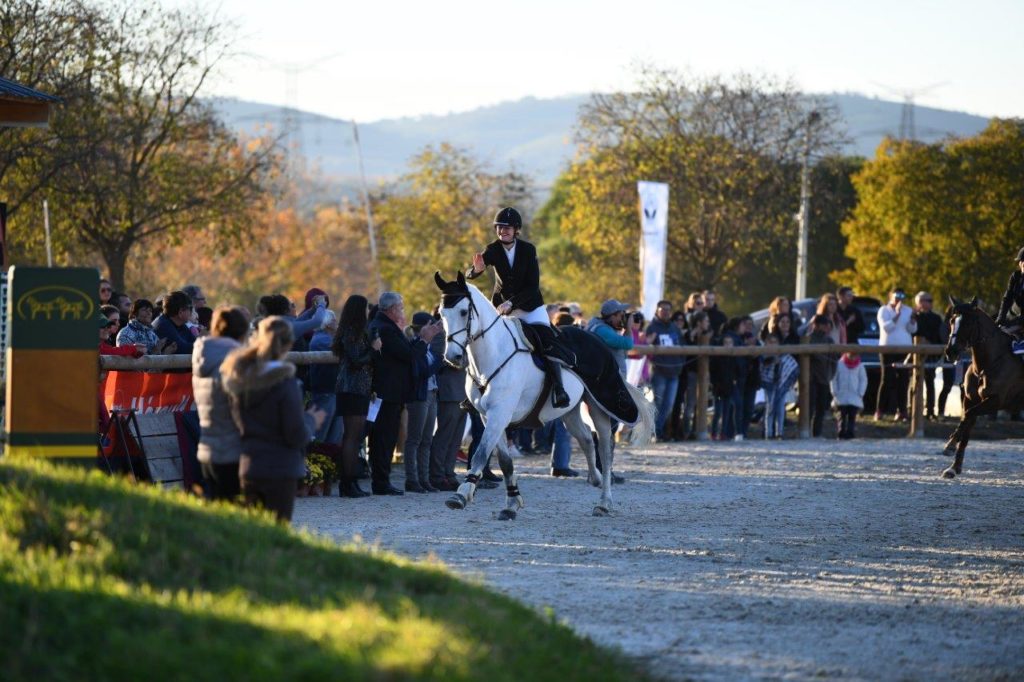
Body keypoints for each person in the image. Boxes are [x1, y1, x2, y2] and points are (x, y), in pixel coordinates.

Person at [221, 316, 325, 523]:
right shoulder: (285, 384)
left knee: (254, 533)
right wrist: (312, 420)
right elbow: (295, 434)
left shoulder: (240, 380)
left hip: (249, 464)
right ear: (287, 344)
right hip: (279, 467)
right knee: (277, 530)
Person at [466, 207, 569, 408]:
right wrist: (474, 272)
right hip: (502, 307)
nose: (503, 231)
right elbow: (475, 270)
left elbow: (533, 286)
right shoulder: (493, 249)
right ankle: (477, 387)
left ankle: (559, 388)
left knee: (545, 340)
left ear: (516, 230)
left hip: (530, 306)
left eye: (507, 228)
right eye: (500, 227)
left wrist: (512, 303)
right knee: (486, 340)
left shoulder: (528, 250)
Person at [367, 291, 441, 495]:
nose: (402, 310)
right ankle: (381, 482)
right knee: (384, 437)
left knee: (387, 436)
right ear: (391, 310)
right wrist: (425, 340)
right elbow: (409, 356)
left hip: (392, 391)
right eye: (400, 307)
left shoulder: (385, 326)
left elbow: (407, 352)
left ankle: (383, 480)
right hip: (387, 390)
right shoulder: (385, 328)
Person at [192, 306, 250, 500]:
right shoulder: (234, 363)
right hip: (234, 451)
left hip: (209, 448)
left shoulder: (205, 357)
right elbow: (242, 409)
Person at [331, 294, 381, 498]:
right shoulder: (351, 332)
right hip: (352, 388)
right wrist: (373, 349)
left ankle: (350, 482)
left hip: (357, 389)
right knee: (352, 437)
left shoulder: (355, 331)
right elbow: (356, 361)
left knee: (353, 437)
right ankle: (347, 483)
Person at [584, 299, 637, 481]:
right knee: (607, 427)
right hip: (606, 384)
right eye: (621, 315)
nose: (623, 317)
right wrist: (629, 329)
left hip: (606, 382)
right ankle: (602, 472)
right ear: (612, 316)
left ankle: (602, 471)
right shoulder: (602, 330)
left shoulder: (598, 327)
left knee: (606, 428)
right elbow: (628, 344)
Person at [402, 311, 445, 493]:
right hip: (419, 396)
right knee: (414, 439)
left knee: (427, 439)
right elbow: (423, 371)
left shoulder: (428, 347)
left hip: (432, 394)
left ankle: (424, 479)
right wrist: (440, 361)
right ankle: (412, 479)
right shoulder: (413, 345)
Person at [645, 299, 686, 441]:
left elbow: (683, 347)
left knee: (669, 405)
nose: (666, 312)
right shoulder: (652, 327)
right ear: (657, 311)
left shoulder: (675, 328)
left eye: (668, 309)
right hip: (659, 372)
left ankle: (658, 431)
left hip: (674, 372)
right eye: (663, 309)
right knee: (658, 403)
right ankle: (654, 432)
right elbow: (646, 346)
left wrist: (681, 364)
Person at [876, 288, 917, 421]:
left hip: (904, 349)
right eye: (896, 295)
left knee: (904, 380)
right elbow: (887, 328)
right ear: (890, 296)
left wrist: (912, 320)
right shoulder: (883, 310)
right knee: (887, 379)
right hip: (887, 349)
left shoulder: (908, 310)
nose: (899, 298)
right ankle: (880, 410)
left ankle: (902, 411)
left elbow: (912, 329)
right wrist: (897, 314)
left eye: (901, 295)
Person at [308, 309, 343, 444]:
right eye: (334, 320)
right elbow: (342, 350)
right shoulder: (322, 340)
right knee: (321, 436)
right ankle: (318, 463)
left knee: (333, 437)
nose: (337, 322)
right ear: (327, 323)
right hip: (325, 393)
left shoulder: (327, 338)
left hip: (331, 392)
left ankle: (329, 463)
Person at [912, 291, 944, 420]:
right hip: (914, 354)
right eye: (927, 300)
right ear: (919, 302)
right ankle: (912, 410)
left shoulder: (936, 318)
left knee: (930, 382)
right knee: (914, 383)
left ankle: (930, 410)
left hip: (930, 355)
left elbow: (940, 337)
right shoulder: (913, 317)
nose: (930, 303)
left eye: (931, 300)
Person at [806, 314, 837, 438]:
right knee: (809, 407)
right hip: (810, 379)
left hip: (824, 378)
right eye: (824, 325)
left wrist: (830, 375)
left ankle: (817, 432)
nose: (827, 327)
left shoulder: (829, 341)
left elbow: (833, 360)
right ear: (817, 325)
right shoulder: (808, 339)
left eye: (828, 325)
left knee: (821, 408)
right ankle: (806, 431)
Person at [831, 350, 868, 439]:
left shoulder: (860, 366)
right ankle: (841, 434)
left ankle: (850, 434)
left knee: (852, 417)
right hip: (841, 396)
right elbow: (833, 379)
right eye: (851, 355)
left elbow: (863, 380)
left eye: (854, 355)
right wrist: (835, 391)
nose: (852, 357)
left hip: (854, 396)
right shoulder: (839, 364)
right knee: (841, 417)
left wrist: (860, 392)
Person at [994, 247, 1024, 354]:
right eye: (1022, 260)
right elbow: (1007, 299)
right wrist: (1000, 318)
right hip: (1014, 318)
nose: (1023, 263)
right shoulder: (1015, 277)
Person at [152, 290, 196, 356]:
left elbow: (194, 342)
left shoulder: (180, 324)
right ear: (181, 312)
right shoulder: (162, 325)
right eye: (190, 308)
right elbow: (183, 349)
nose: (192, 312)